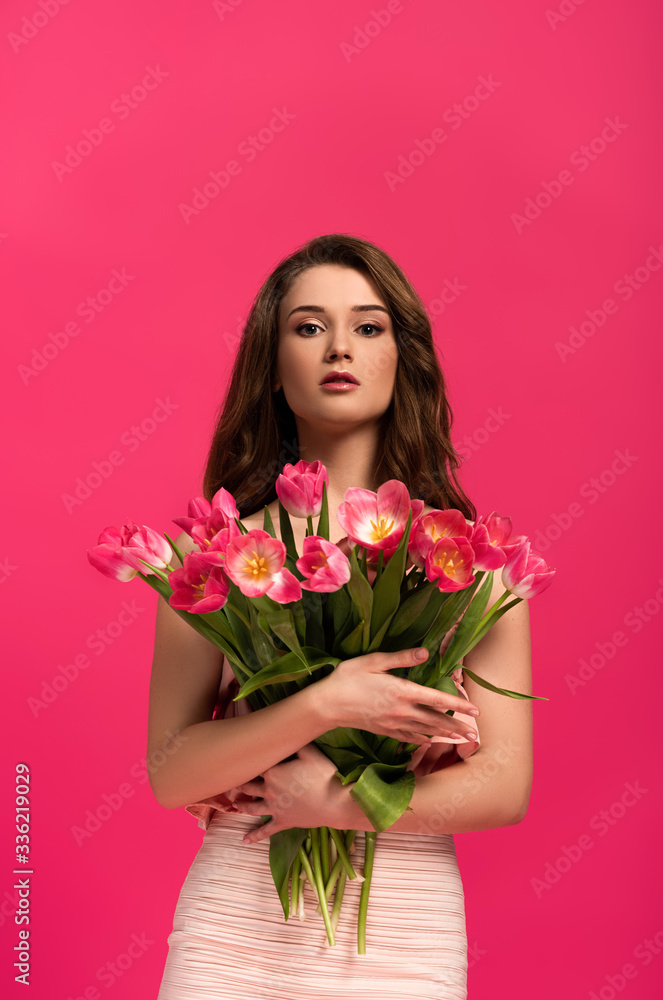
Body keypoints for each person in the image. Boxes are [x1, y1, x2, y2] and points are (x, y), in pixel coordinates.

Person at [150, 233, 533, 999]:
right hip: (237, 920)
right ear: (272, 362)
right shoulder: (215, 551)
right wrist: (329, 702)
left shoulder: (468, 557)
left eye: (367, 326)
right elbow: (169, 771)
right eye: (306, 326)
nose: (337, 347)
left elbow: (503, 785)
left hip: (400, 922)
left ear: (403, 357)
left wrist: (341, 805)